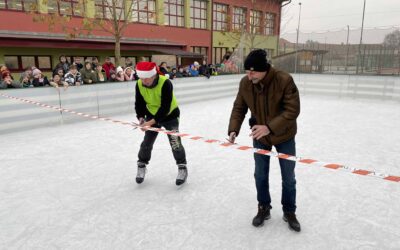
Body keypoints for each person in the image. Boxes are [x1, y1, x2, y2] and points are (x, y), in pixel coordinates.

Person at [227, 49, 301, 232]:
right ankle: (263, 207)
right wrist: (233, 129)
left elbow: (292, 110)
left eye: (252, 71)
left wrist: (269, 126)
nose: (249, 75)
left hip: (284, 135)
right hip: (260, 136)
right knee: (260, 174)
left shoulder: (284, 80)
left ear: (264, 69)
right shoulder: (246, 83)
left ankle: (289, 211)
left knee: (288, 177)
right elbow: (239, 107)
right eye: (247, 71)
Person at [134, 61, 188, 186]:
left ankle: (182, 167)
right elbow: (139, 103)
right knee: (147, 142)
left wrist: (150, 122)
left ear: (154, 75)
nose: (144, 81)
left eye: (147, 79)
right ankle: (141, 165)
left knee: (175, 142)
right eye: (142, 78)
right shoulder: (139, 84)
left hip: (170, 115)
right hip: (152, 114)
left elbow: (165, 107)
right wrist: (141, 118)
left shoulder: (166, 83)